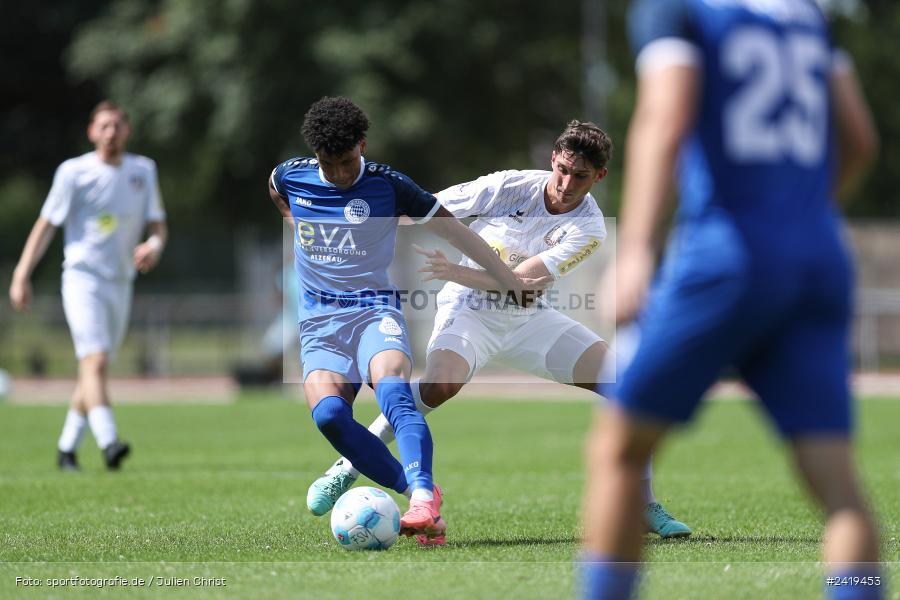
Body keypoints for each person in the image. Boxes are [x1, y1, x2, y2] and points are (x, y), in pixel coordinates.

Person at [580, 1, 881, 598]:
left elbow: (664, 119)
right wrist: (802, 215)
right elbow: (860, 140)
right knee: (837, 485)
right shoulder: (806, 13)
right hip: (819, 257)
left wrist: (636, 248)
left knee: (620, 450)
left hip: (727, 256)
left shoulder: (677, 8)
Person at [307, 120, 691, 541]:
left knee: (628, 383)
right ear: (553, 159)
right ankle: (348, 465)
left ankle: (643, 504)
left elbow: (522, 286)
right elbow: (430, 205)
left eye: (580, 176)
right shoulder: (511, 185)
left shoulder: (590, 227)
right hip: (469, 309)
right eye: (562, 169)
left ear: (599, 176)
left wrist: (454, 269)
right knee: (437, 388)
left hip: (530, 320)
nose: (566, 183)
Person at [269, 96, 534, 544]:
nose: (339, 174)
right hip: (319, 323)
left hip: (374, 311)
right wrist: (296, 223)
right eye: (330, 165)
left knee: (394, 393)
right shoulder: (288, 176)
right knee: (330, 416)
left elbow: (456, 232)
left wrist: (506, 278)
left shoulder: (389, 185)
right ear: (317, 156)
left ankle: (423, 499)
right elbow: (277, 191)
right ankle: (411, 490)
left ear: (363, 145)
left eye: (348, 161)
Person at [9, 100, 167, 472]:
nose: (111, 132)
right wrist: (22, 274)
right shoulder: (73, 172)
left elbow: (157, 225)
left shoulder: (143, 170)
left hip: (121, 282)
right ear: (92, 132)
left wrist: (153, 247)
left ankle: (66, 450)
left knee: (94, 368)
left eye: (117, 125)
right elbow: (46, 223)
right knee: (94, 360)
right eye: (104, 126)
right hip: (82, 279)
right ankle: (110, 441)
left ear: (126, 130)